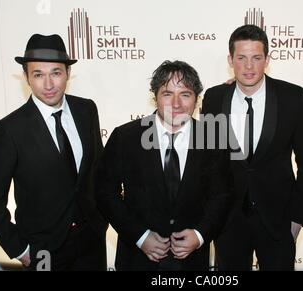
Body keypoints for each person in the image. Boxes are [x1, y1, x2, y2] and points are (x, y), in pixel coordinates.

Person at [0, 34, 107, 271]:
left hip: (92, 243)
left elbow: (98, 172)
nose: (48, 84)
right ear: (27, 77)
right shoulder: (10, 129)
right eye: (38, 74)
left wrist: (101, 222)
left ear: (68, 74)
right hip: (43, 251)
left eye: (56, 73)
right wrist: (20, 249)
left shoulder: (86, 109)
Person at [96, 60, 231, 271]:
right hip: (137, 259)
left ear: (196, 99)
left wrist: (199, 235)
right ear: (155, 97)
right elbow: (105, 193)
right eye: (167, 94)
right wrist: (140, 237)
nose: (176, 104)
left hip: (193, 262)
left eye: (185, 94)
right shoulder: (126, 137)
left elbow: (222, 195)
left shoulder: (213, 139)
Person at [201, 24, 303, 270]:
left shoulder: (293, 97)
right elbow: (209, 162)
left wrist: (297, 217)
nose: (249, 66)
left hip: (279, 220)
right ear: (230, 60)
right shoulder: (213, 98)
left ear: (267, 59)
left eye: (256, 58)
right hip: (228, 221)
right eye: (241, 58)